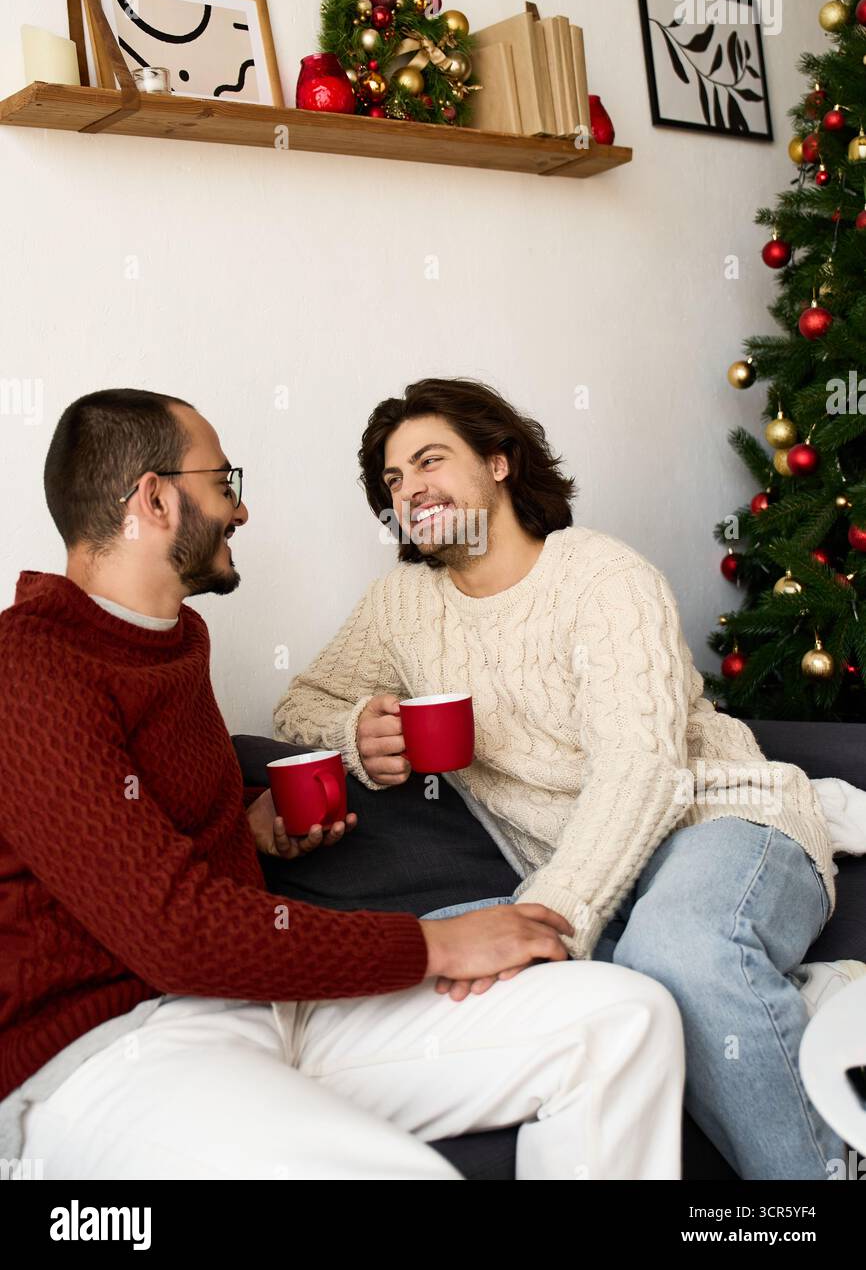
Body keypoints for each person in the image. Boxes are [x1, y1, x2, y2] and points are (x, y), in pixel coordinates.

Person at [0, 387, 685, 1181]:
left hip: (266, 1005)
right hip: (108, 1051)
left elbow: (130, 841)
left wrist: (246, 829)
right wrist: (434, 942)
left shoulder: (176, 640)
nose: (242, 512)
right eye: (226, 484)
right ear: (154, 499)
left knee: (624, 1019)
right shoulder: (31, 668)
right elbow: (176, 933)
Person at [273, 375, 852, 1181]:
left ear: (500, 462)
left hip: (719, 820)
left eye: (431, 460)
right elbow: (301, 701)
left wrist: (549, 921)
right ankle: (784, 995)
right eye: (394, 482)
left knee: (678, 949)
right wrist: (353, 735)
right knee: (416, 967)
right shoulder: (402, 606)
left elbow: (643, 772)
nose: (411, 491)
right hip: (584, 876)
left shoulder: (600, 576)